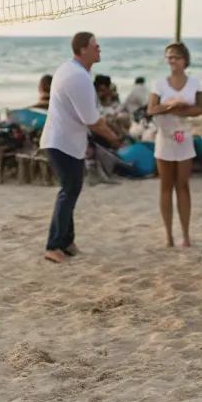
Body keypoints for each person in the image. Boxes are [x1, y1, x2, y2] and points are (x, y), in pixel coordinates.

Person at [41, 32, 119, 263]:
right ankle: (53, 245)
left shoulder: (73, 70)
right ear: (83, 49)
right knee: (68, 191)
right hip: (61, 142)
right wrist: (114, 138)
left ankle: (66, 242)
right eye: (95, 46)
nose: (99, 49)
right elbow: (92, 120)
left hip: (65, 141)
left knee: (71, 189)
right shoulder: (77, 76)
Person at [147, 42, 202, 249]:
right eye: (169, 57)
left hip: (183, 136)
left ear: (185, 60)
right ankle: (168, 235)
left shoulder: (194, 83)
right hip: (164, 137)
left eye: (175, 57)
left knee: (183, 186)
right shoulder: (160, 84)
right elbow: (151, 109)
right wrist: (169, 106)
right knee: (165, 186)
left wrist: (180, 110)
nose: (172, 60)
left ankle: (185, 235)